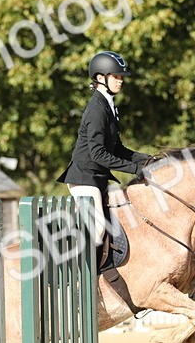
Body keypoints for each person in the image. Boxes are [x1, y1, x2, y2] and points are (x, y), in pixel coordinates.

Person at [57, 51, 152, 270]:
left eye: (121, 77)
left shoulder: (107, 105)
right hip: (84, 179)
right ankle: (81, 279)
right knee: (98, 227)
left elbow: (117, 149)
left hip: (97, 179)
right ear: (101, 78)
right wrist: (134, 169)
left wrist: (149, 160)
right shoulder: (97, 109)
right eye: (116, 76)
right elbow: (98, 154)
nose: (121, 80)